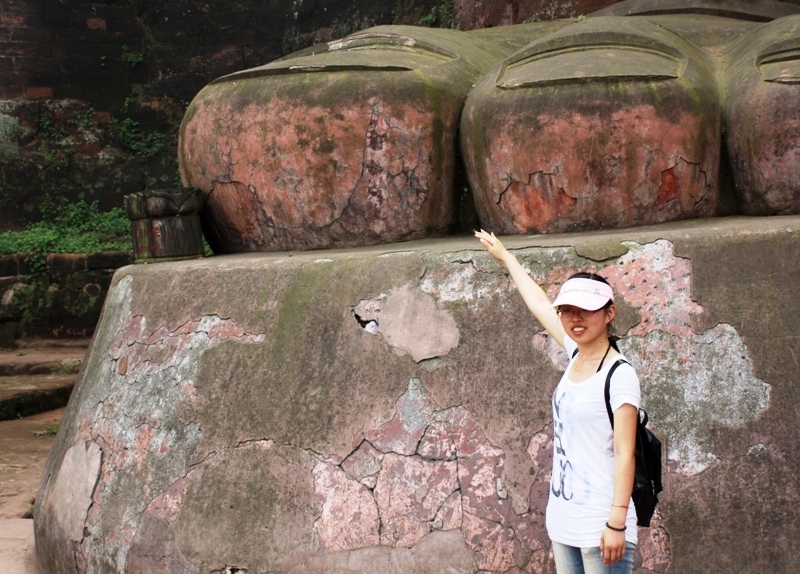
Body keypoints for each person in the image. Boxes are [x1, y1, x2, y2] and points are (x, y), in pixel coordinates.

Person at [475, 229, 639, 574]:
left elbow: (626, 453)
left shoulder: (619, 374)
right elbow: (537, 302)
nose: (575, 319)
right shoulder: (574, 354)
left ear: (610, 313)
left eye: (586, 311)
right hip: (564, 520)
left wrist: (617, 522)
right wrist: (506, 257)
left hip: (601, 522)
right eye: (567, 311)